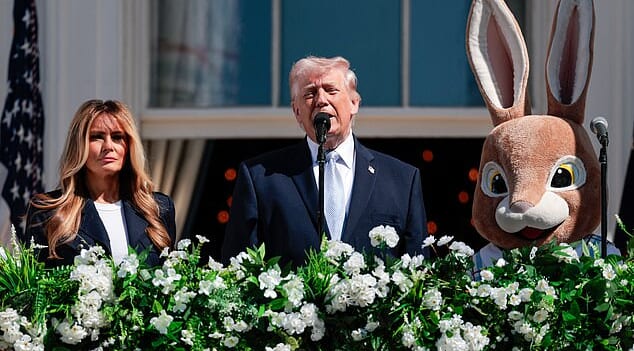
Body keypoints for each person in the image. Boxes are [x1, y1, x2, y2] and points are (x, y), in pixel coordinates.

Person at [221, 56, 427, 267]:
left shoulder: (401, 180)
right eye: (310, 93)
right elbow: (237, 270)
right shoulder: (261, 178)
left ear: (354, 103)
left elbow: (418, 275)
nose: (321, 100)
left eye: (331, 90)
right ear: (297, 111)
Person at [25, 99, 176, 268]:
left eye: (118, 137)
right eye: (97, 137)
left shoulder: (158, 209)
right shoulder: (47, 211)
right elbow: (35, 289)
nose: (108, 146)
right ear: (79, 145)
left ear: (129, 146)